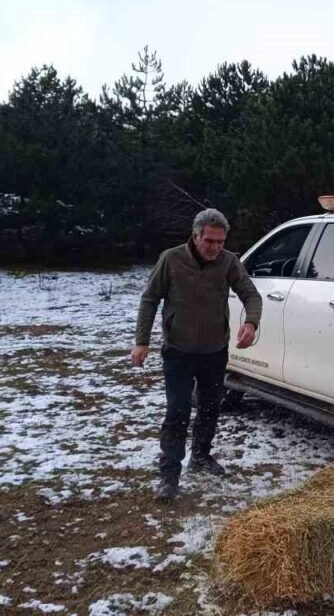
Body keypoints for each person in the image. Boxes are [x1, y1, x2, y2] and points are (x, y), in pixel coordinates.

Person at [132, 208, 262, 503]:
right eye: (209, 241)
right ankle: (169, 475)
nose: (215, 247)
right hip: (177, 351)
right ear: (195, 236)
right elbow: (150, 298)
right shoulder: (172, 259)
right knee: (177, 410)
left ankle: (201, 456)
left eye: (220, 241)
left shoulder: (229, 262)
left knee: (209, 408)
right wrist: (141, 341)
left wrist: (251, 322)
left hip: (214, 352)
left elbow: (251, 294)